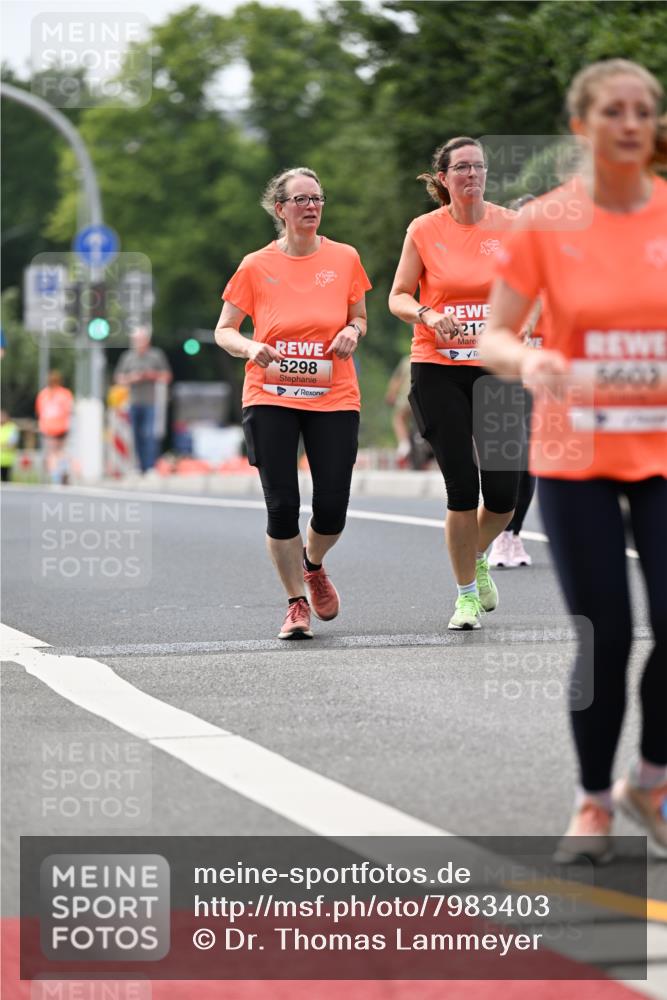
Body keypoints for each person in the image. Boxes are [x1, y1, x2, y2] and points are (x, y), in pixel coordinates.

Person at [480, 58, 667, 861]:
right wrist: (528, 364)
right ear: (580, 127)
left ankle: (650, 780)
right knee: (606, 634)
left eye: (643, 111)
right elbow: (492, 335)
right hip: (575, 450)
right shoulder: (544, 224)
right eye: (613, 111)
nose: (629, 124)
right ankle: (592, 801)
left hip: (661, 448)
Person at [215, 167, 371, 640]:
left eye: (318, 198)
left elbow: (360, 316)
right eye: (301, 199)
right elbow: (224, 329)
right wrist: (249, 348)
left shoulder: (344, 258)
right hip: (269, 393)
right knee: (282, 506)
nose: (311, 206)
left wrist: (351, 331)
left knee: (332, 507)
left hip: (333, 394)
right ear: (280, 209)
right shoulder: (255, 264)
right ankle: (295, 602)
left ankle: (314, 564)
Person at [388, 137, 521, 630]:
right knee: (462, 487)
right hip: (438, 368)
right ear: (443, 178)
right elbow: (398, 296)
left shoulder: (509, 225)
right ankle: (465, 595)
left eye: (479, 167)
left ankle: (478, 554)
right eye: (461, 167)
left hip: (497, 369)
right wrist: (427, 313)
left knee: (504, 495)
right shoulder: (424, 229)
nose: (472, 175)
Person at [489, 194, 540, 569]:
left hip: (542, 374)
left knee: (531, 459)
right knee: (512, 456)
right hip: (503, 374)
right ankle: (497, 532)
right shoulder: (495, 266)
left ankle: (512, 535)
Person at [114, 327, 172, 473]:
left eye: (141, 340)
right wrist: (132, 378)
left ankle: (151, 466)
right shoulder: (127, 357)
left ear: (147, 341)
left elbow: (167, 376)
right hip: (133, 402)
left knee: (150, 434)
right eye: (136, 340)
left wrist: (151, 375)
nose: (138, 343)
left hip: (152, 402)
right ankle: (139, 466)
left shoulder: (156, 355)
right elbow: (119, 379)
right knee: (136, 435)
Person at [35, 370, 73, 484]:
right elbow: (69, 409)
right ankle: (64, 468)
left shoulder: (43, 394)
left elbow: (39, 411)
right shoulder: (65, 393)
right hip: (62, 426)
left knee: (51, 452)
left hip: (48, 427)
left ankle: (55, 475)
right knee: (61, 450)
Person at [385, 355, 413, 466]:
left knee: (398, 418)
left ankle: (404, 444)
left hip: (407, 398)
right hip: (424, 398)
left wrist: (391, 395)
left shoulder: (407, 360)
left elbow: (397, 380)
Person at [0, 410, 19, 482]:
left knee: (6, 481)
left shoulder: (12, 427)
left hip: (7, 460)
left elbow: (12, 444)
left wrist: (3, 445)